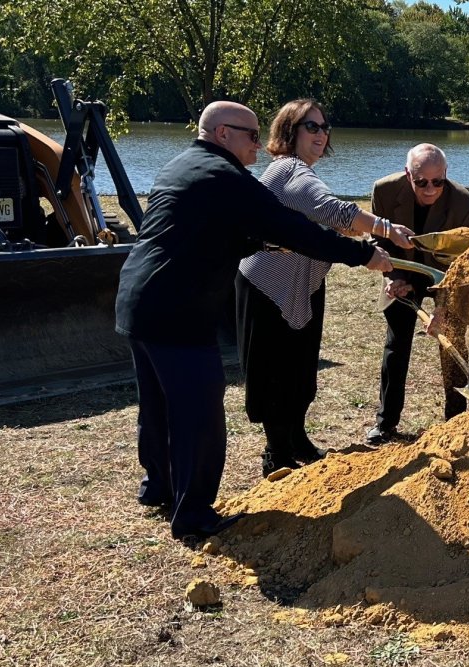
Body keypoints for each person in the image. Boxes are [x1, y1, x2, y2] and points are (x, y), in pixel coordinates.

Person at [116, 101, 392, 540]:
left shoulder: (182, 166)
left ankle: (158, 488)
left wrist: (260, 246)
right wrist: (363, 254)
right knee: (199, 417)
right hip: (179, 314)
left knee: (158, 407)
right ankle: (193, 517)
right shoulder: (227, 178)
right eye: (250, 135)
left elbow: (205, 234)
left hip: (138, 302)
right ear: (224, 133)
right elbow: (291, 226)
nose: (258, 146)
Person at [236, 99, 415, 477]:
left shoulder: (302, 173)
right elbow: (332, 209)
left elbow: (328, 222)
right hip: (269, 286)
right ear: (290, 131)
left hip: (303, 284)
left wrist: (364, 238)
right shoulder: (289, 170)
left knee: (301, 370)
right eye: (311, 126)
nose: (321, 134)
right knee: (277, 373)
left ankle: (296, 438)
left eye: (324, 127)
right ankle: (277, 454)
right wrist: (385, 228)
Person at [366, 144, 469, 445]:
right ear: (408, 175)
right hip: (405, 267)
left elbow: (462, 266)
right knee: (396, 341)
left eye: (438, 181)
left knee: (452, 341)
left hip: (449, 275)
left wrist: (442, 311)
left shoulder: (464, 204)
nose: (430, 189)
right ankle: (385, 422)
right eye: (422, 181)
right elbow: (380, 243)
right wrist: (394, 277)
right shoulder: (384, 191)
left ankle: (456, 420)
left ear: (446, 175)